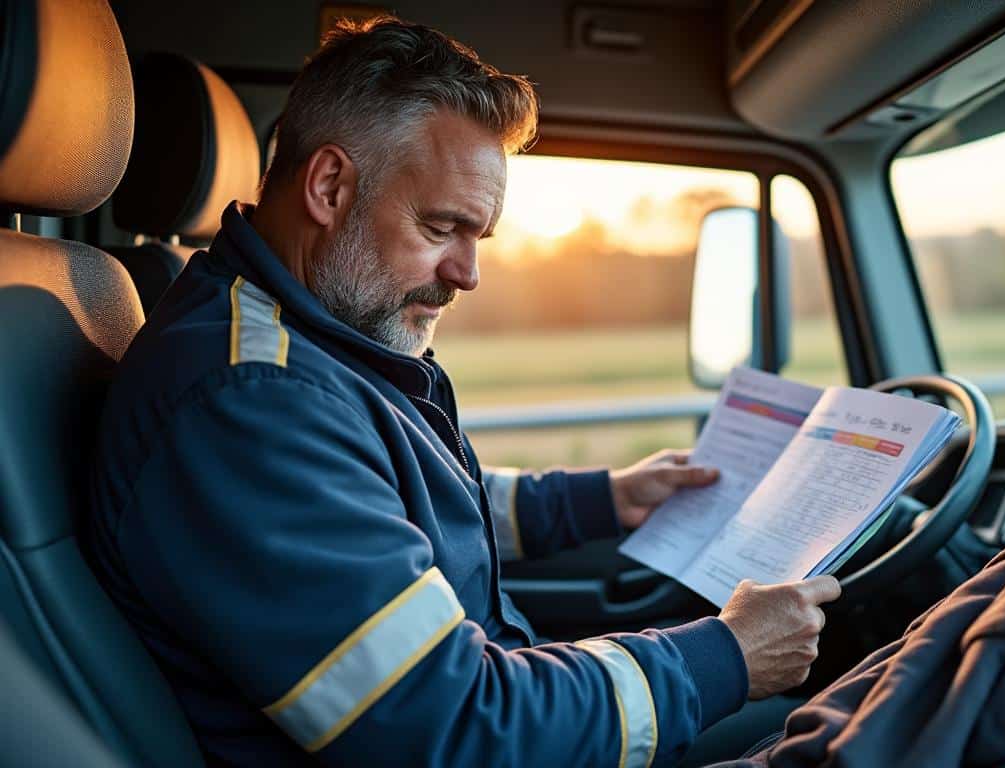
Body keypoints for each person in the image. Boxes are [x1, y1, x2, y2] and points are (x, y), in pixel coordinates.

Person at [84, 16, 840, 768]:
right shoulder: (249, 401)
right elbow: (455, 728)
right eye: (443, 226)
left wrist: (602, 498)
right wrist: (725, 657)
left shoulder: (311, 340)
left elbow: (387, 499)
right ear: (329, 185)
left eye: (479, 237)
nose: (467, 273)